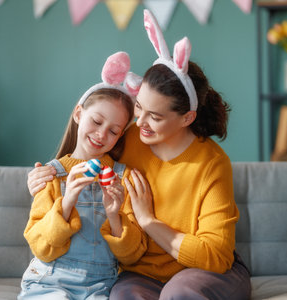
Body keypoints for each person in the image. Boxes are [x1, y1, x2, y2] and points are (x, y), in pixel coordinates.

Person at [27, 10, 251, 300]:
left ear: (186, 118)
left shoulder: (211, 163)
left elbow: (216, 256)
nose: (141, 122)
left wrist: (148, 222)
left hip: (207, 273)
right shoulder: (128, 137)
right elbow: (83, 153)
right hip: (143, 274)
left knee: (179, 293)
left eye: (155, 116)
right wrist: (40, 177)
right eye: (139, 108)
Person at [18, 51, 144, 300]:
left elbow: (132, 255)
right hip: (48, 281)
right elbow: (40, 248)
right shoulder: (51, 175)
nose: (101, 134)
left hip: (100, 285)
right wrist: (67, 202)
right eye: (96, 121)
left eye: (113, 131)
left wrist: (113, 215)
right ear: (78, 114)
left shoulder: (124, 178)